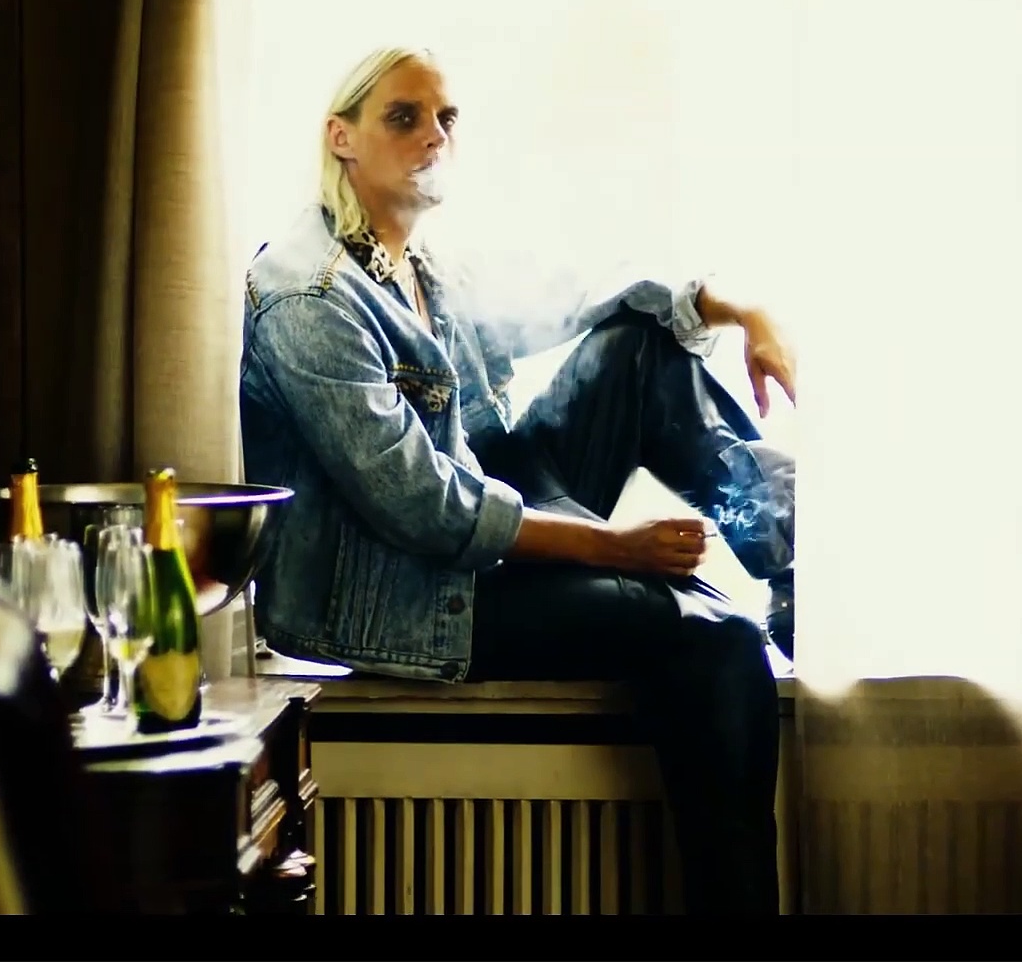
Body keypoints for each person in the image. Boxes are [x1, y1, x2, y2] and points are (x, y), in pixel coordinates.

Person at [239, 47, 799, 915]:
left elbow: (584, 298)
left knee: (636, 350)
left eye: (446, 118)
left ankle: (793, 564)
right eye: (404, 117)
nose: (434, 136)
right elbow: (424, 507)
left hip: (485, 520)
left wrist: (739, 308)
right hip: (410, 590)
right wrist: (613, 548)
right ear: (340, 136)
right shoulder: (308, 294)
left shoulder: (420, 263)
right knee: (718, 639)